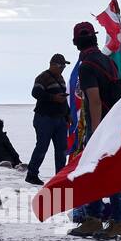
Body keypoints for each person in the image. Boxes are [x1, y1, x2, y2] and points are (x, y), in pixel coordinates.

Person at [66, 21, 121, 240]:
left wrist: (95, 133)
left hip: (102, 127)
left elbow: (94, 100)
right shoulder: (107, 61)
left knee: (106, 173)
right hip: (114, 123)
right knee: (96, 172)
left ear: (76, 42)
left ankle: (117, 222)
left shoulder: (86, 66)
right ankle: (95, 219)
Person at [27, 53, 70, 185]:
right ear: (52, 65)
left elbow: (63, 100)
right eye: (60, 66)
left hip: (60, 119)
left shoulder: (61, 79)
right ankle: (32, 174)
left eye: (64, 66)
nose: (62, 68)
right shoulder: (43, 77)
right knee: (41, 147)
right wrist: (53, 98)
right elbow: (36, 93)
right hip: (44, 118)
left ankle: (60, 178)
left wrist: (68, 114)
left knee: (62, 150)